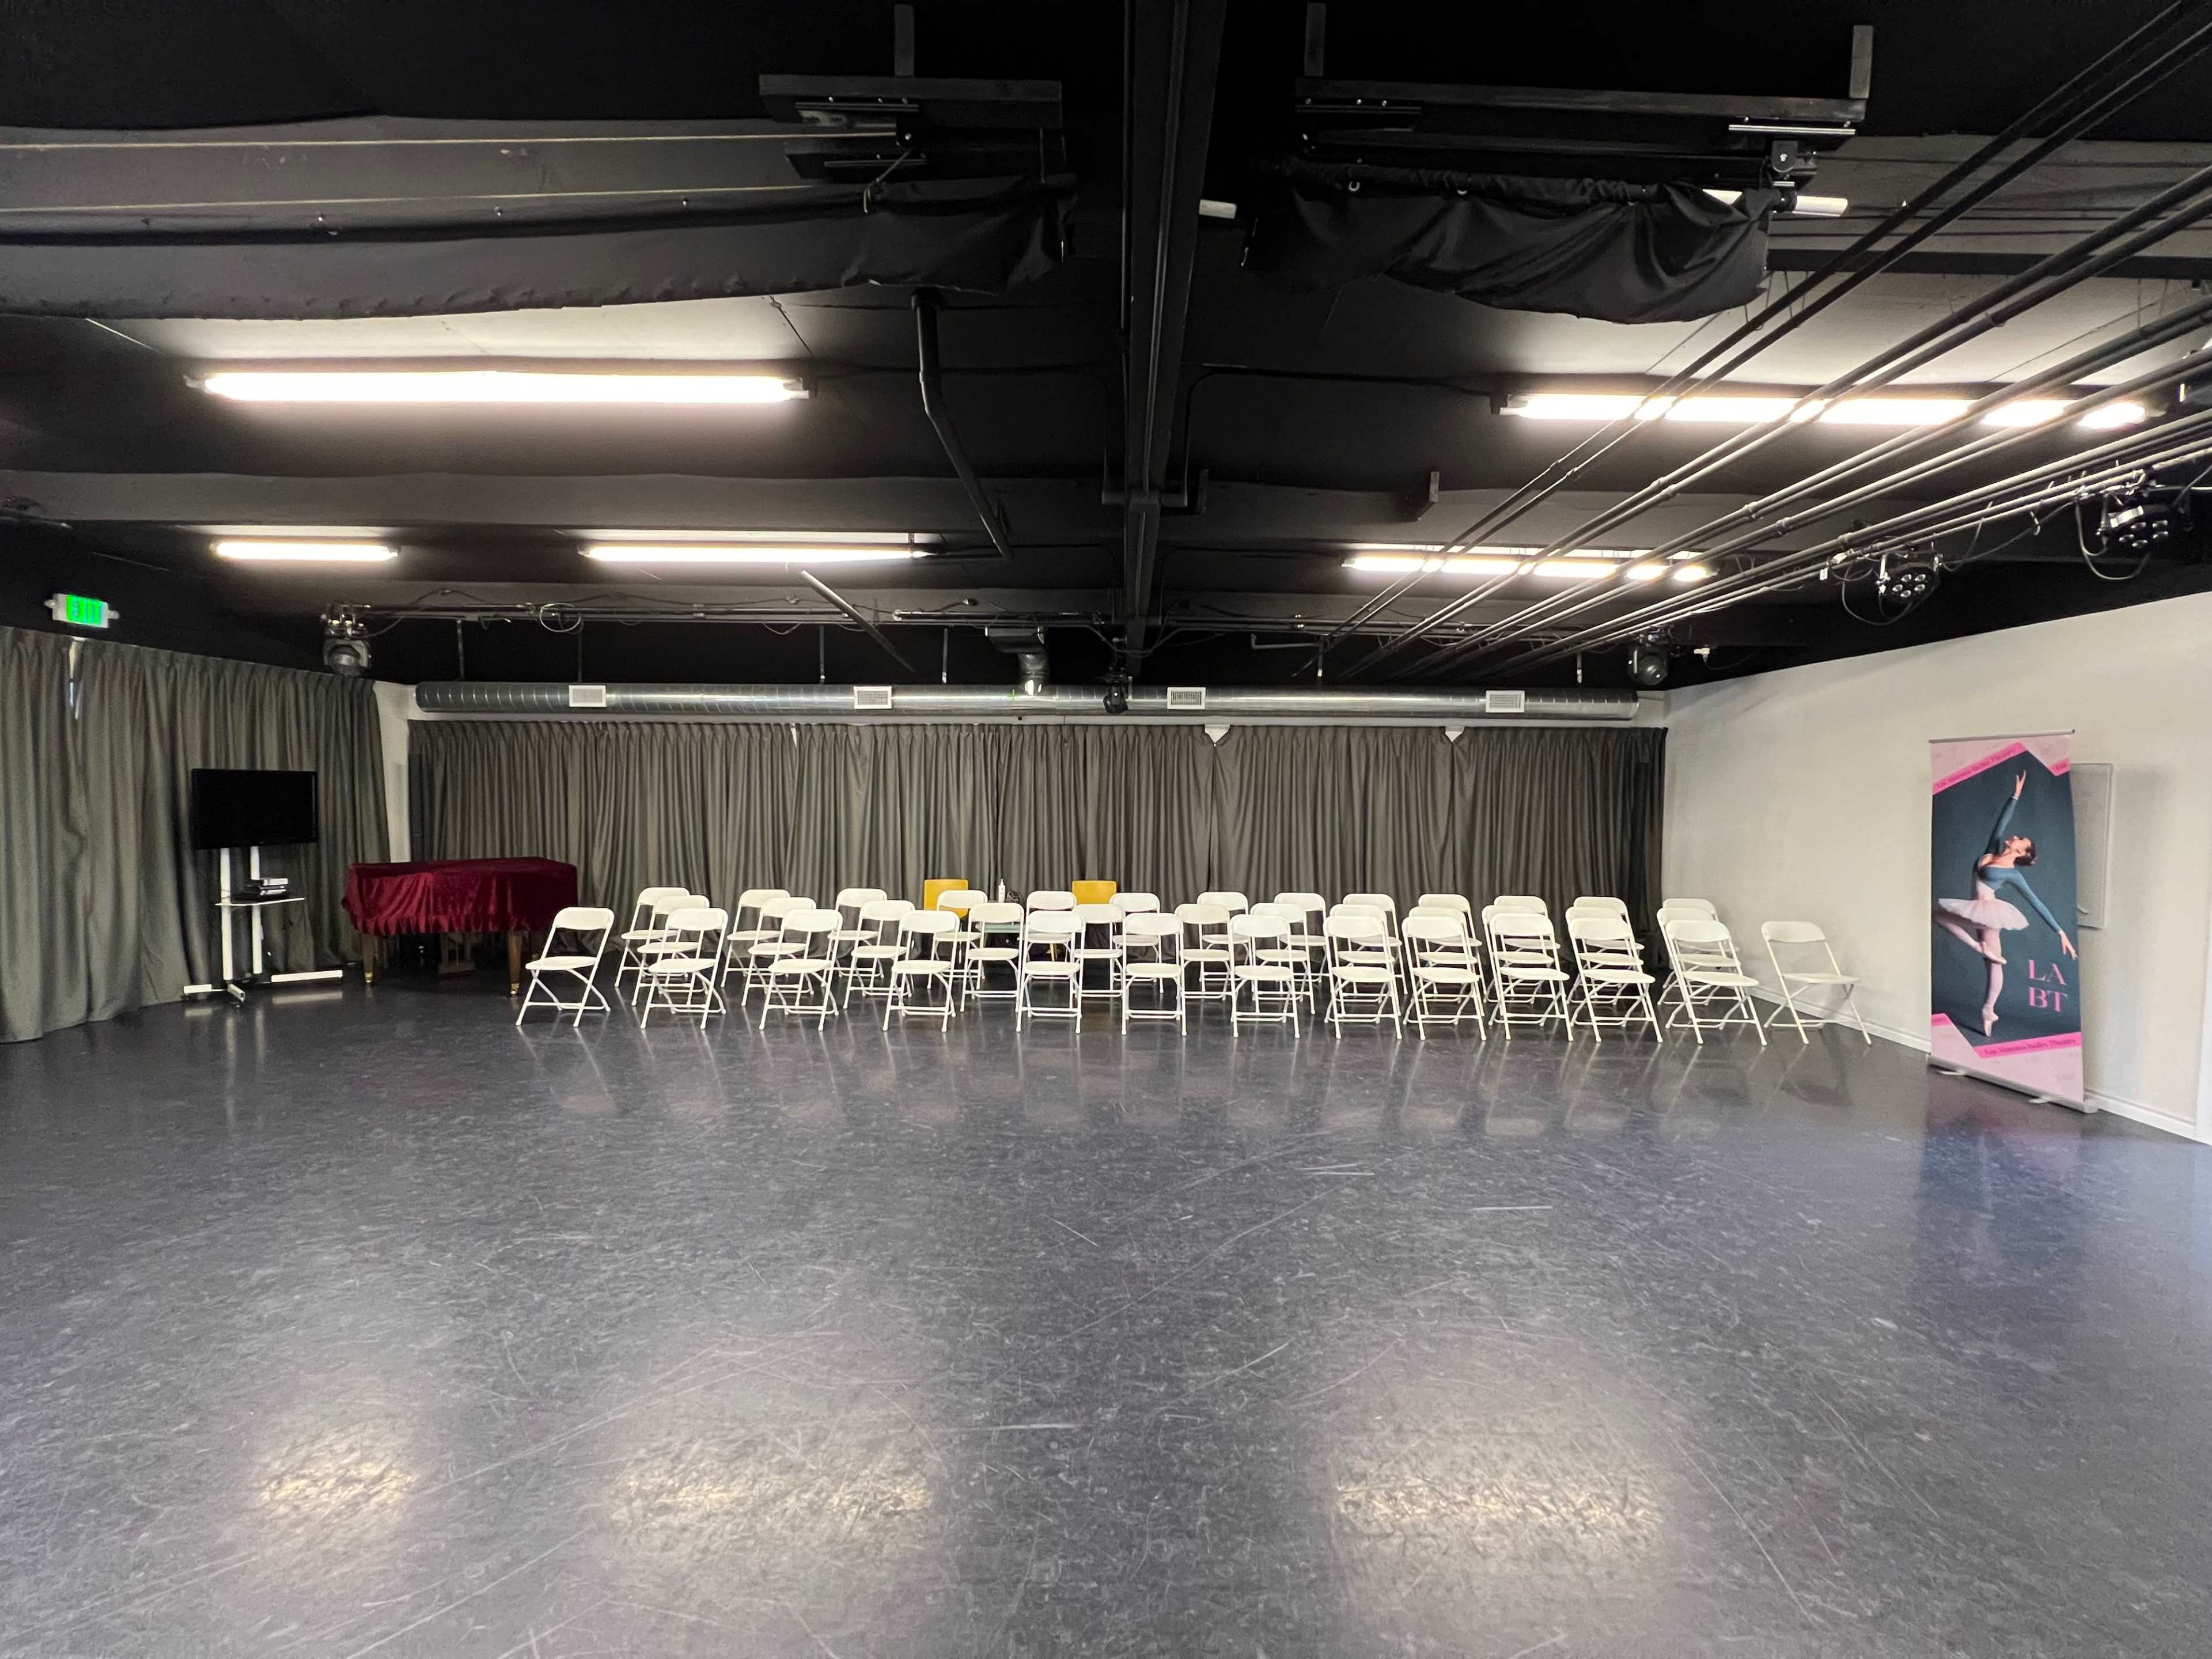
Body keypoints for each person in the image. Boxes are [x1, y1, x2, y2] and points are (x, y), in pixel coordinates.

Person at [1933, 771, 2077, 1036]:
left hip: (1988, 911)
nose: (2016, 836)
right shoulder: (1994, 849)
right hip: (1976, 909)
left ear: (2021, 852)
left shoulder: (2013, 875)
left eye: (2021, 840)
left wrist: (2061, 932)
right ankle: (1988, 1010)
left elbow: (2037, 903)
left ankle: (1984, 976)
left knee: (1940, 917)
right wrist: (2015, 796)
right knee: (1994, 963)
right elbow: (2000, 823)